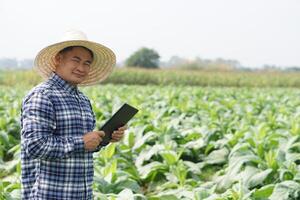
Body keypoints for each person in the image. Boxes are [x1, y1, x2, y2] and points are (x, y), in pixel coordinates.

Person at [20, 30, 126, 199]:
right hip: (49, 194)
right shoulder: (43, 95)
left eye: (87, 63)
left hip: (80, 194)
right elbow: (35, 145)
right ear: (58, 59)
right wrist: (81, 143)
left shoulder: (82, 99)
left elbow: (84, 146)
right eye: (76, 60)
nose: (81, 68)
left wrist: (105, 138)